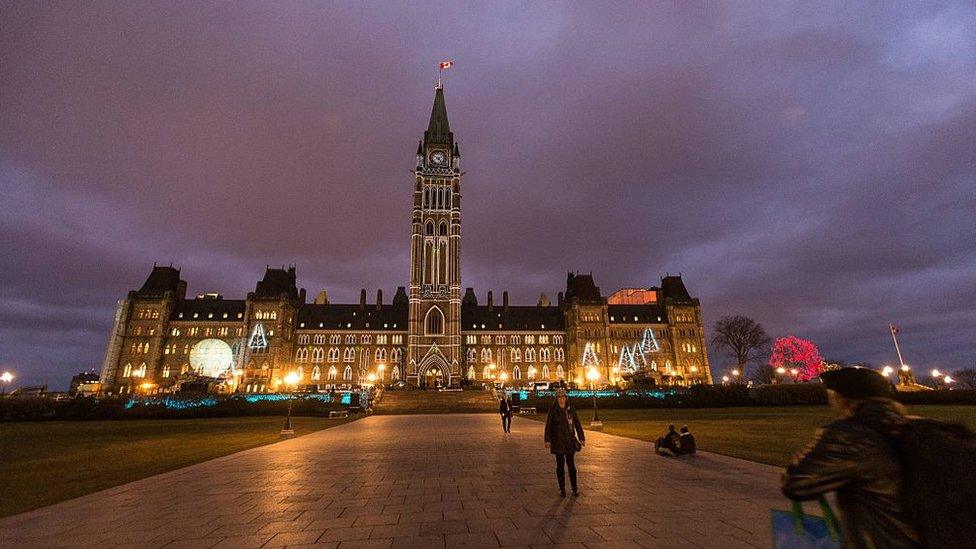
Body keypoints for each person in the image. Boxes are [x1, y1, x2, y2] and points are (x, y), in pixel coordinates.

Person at [781, 367, 920, 549]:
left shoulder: (848, 434)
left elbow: (797, 485)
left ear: (843, 399)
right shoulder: (915, 428)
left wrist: (807, 452)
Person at [544, 388, 585, 497]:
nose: (561, 400)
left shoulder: (570, 410)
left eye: (563, 397)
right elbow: (548, 426)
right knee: (560, 466)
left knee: (571, 465)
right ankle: (562, 489)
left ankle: (574, 488)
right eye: (559, 398)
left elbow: (577, 423)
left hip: (569, 441)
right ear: (556, 399)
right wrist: (547, 440)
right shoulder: (553, 410)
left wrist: (581, 437)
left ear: (566, 398)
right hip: (557, 441)